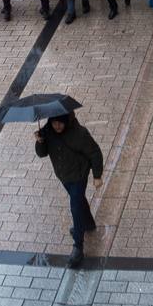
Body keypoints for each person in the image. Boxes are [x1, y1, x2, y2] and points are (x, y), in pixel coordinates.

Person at [35, 110, 103, 268]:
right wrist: (40, 142)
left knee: (75, 206)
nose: (57, 126)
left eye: (60, 122)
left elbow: (95, 152)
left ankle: (78, 246)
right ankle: (88, 224)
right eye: (54, 122)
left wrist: (97, 175)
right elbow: (42, 154)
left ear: (66, 121)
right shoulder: (47, 131)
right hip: (64, 176)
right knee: (79, 202)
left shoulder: (79, 133)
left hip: (79, 175)